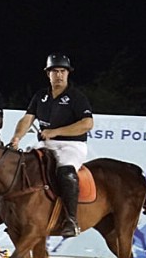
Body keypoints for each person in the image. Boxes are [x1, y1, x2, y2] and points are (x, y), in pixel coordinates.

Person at [9, 54, 93, 237]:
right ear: (48, 74)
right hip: (45, 144)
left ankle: (71, 220)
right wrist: (16, 138)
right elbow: (27, 119)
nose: (59, 75)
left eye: (63, 71)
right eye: (55, 71)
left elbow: (87, 124)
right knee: (23, 166)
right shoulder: (41, 96)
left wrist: (55, 131)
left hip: (72, 145)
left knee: (65, 171)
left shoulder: (76, 97)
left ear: (68, 73)